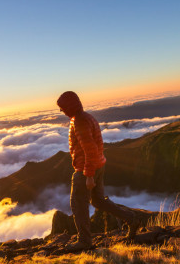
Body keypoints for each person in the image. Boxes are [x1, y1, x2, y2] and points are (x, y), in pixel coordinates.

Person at [56, 91, 137, 251]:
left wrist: (88, 176)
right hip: (99, 164)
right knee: (98, 201)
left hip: (86, 169)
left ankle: (85, 241)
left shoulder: (79, 121)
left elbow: (90, 149)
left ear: (70, 106)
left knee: (78, 205)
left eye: (63, 107)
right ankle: (131, 219)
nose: (61, 111)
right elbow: (96, 146)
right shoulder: (87, 117)